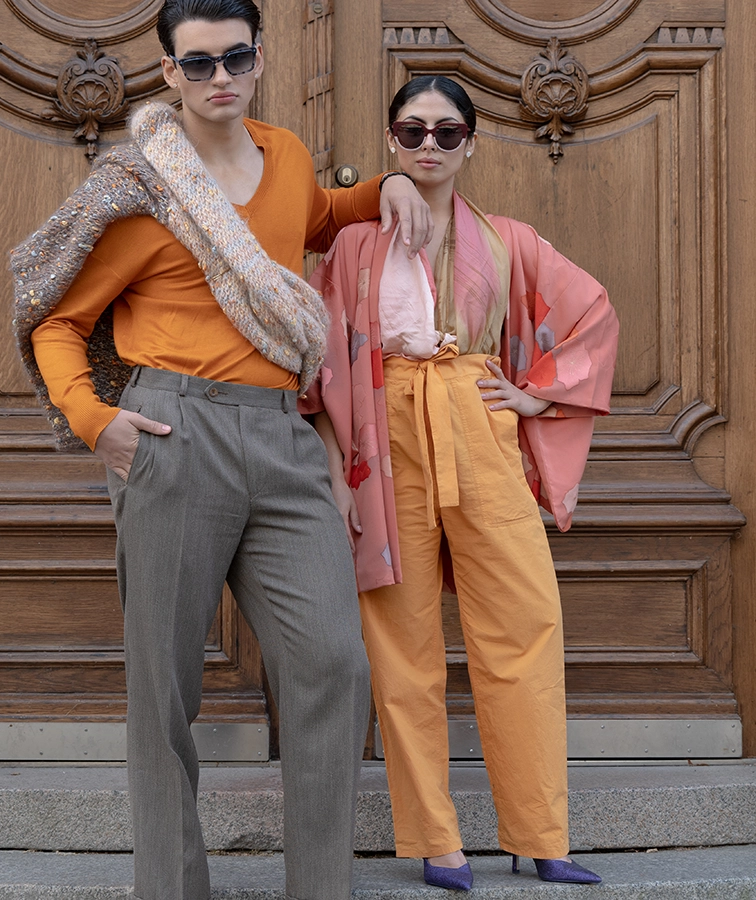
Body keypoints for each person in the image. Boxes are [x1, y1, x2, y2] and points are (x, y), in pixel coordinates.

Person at [11, 2, 434, 898]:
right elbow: (59, 322)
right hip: (175, 434)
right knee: (165, 693)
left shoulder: (284, 157)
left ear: (259, 59)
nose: (218, 78)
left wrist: (390, 185)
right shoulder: (141, 191)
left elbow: (315, 219)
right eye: (196, 64)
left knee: (332, 662)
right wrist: (99, 423)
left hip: (282, 437)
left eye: (234, 59)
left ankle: (321, 888)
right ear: (167, 71)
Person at [303, 75, 619, 891]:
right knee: (401, 643)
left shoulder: (509, 237)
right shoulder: (349, 247)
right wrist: (339, 469)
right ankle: (436, 839)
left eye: (448, 133)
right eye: (413, 132)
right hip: (386, 434)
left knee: (524, 623)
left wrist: (536, 394)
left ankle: (538, 831)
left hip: (479, 424)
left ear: (473, 144)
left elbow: (592, 313)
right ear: (391, 144)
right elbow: (323, 362)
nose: (430, 146)